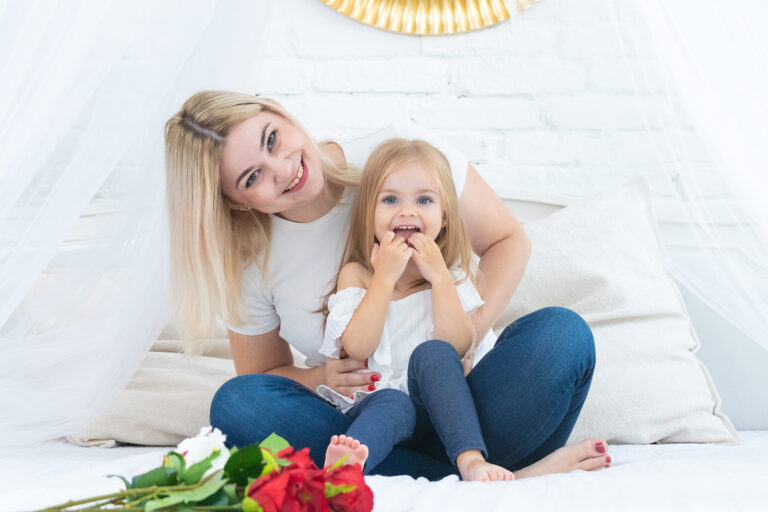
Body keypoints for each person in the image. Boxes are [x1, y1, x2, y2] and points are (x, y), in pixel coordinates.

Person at [164, 90, 611, 480]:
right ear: (236, 204)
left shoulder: (402, 157)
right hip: (367, 423)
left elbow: (507, 241)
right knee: (237, 404)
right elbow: (263, 377)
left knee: (562, 335)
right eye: (252, 177)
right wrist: (319, 376)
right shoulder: (249, 261)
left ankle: (437, 464)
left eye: (272, 138)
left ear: (278, 110)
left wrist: (469, 334)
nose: (283, 168)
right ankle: (491, 472)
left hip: (469, 401)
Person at [318, 138, 515, 481]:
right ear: (370, 217)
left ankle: (470, 460)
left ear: (445, 219)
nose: (406, 211)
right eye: (390, 199)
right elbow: (359, 347)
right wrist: (384, 277)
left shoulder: (452, 277)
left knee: (434, 353)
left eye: (424, 200)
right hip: (385, 411)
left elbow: (457, 347)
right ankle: (343, 471)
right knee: (394, 403)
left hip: (444, 414)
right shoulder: (360, 275)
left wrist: (439, 277)